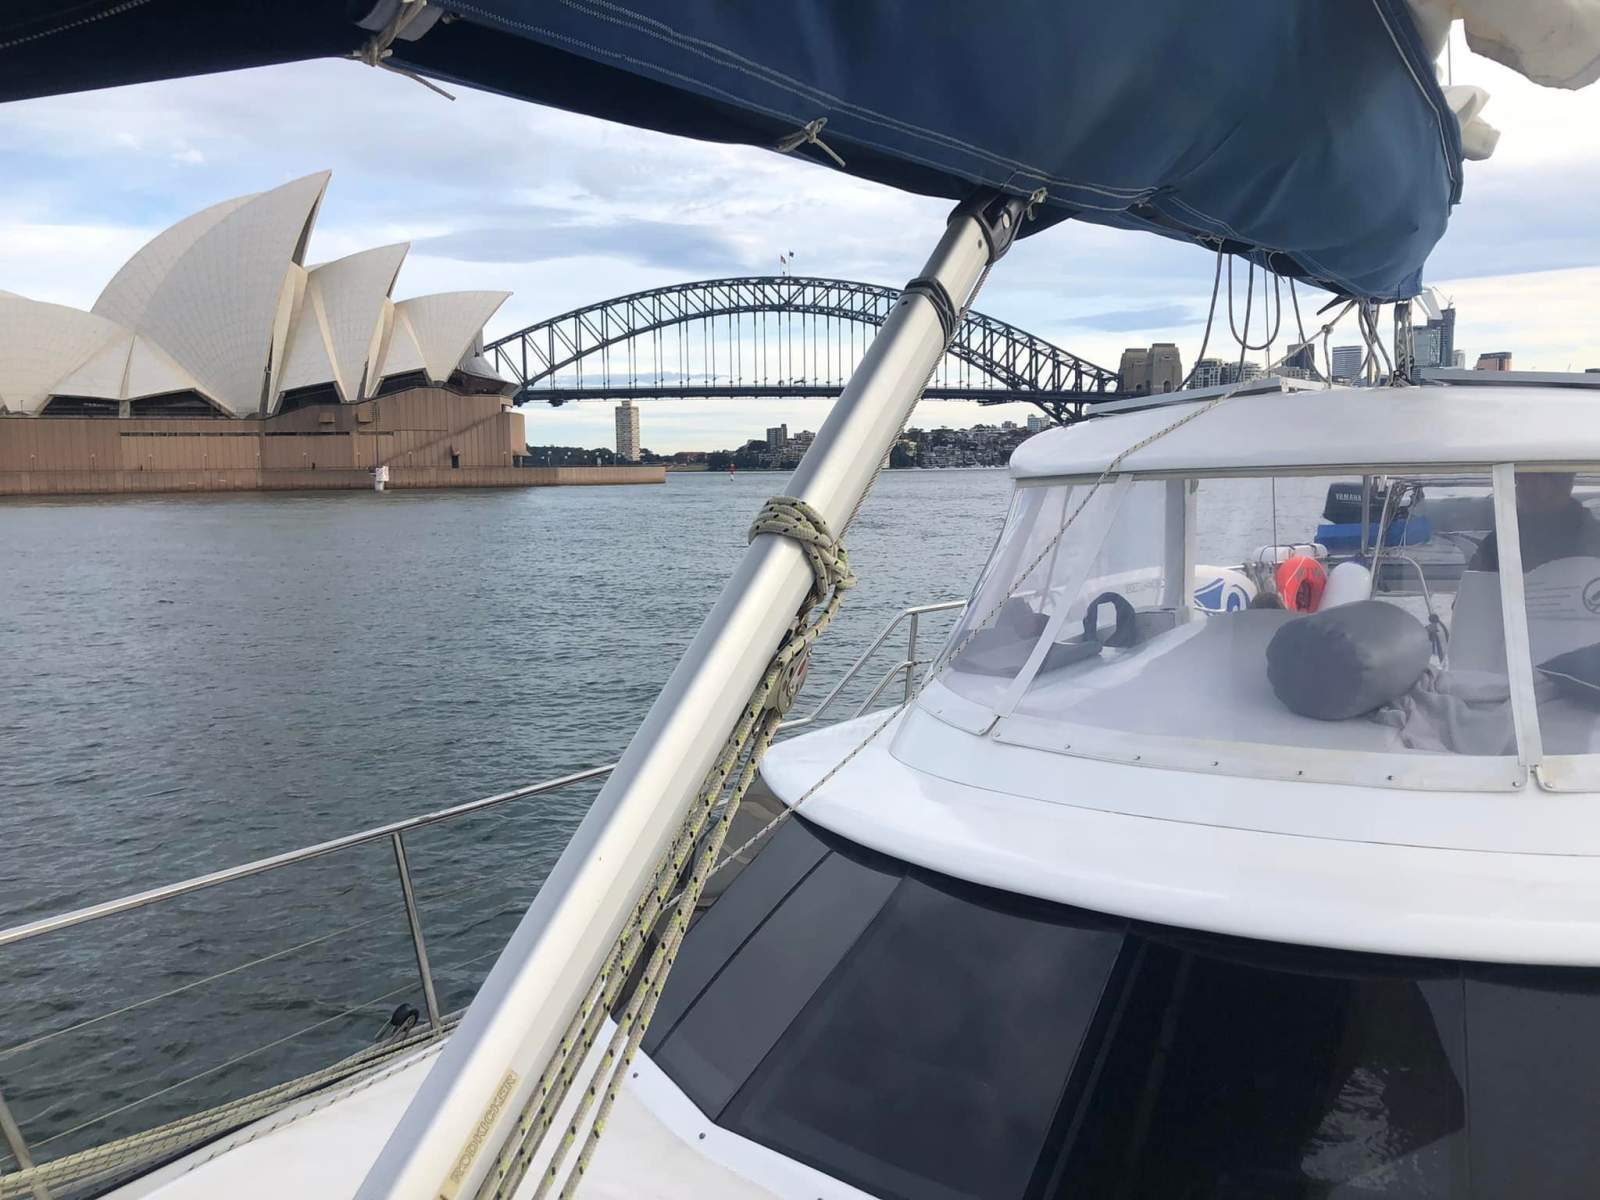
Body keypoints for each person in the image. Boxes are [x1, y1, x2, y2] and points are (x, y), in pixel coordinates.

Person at [1469, 472, 1600, 571]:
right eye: (1520, 481)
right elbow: (1470, 599)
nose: (1522, 490)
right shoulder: (1500, 542)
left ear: (1564, 485)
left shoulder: (1594, 536)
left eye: (1533, 482)